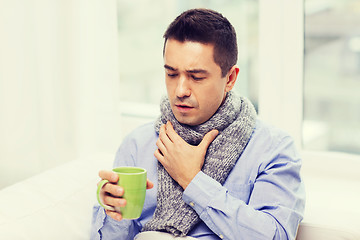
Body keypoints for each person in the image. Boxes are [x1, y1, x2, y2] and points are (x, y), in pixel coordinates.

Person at [91, 8, 305, 240]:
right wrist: (111, 210)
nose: (181, 91)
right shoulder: (137, 145)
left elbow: (275, 236)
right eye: (172, 74)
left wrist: (193, 180)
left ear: (230, 78)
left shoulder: (272, 148)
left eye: (196, 77)